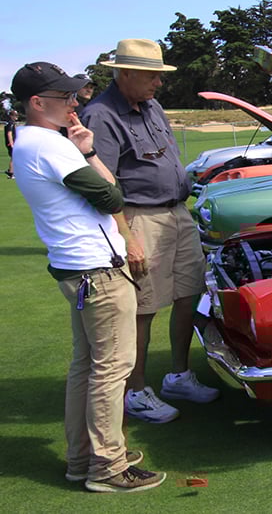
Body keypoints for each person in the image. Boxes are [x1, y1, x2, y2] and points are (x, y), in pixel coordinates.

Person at [10, 61, 165, 492]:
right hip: (97, 269)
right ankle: (108, 467)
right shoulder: (50, 146)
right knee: (112, 369)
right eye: (65, 97)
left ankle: (84, 457)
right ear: (37, 103)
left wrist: (81, 146)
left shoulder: (29, 142)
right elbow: (112, 194)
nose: (75, 103)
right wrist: (90, 152)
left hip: (75, 268)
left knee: (87, 366)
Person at [81, 38, 219, 424]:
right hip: (139, 219)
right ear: (124, 73)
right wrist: (127, 237)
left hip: (177, 214)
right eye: (151, 76)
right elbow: (103, 185)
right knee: (142, 309)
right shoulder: (101, 116)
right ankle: (136, 391)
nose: (159, 83)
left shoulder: (152, 106)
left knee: (189, 294)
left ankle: (178, 376)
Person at [5, 109, 17, 178]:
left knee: (14, 157)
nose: (16, 117)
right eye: (14, 115)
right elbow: (9, 134)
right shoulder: (10, 123)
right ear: (11, 116)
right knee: (13, 157)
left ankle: (11, 171)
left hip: (13, 142)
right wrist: (11, 143)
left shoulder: (12, 123)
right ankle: (11, 173)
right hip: (11, 143)